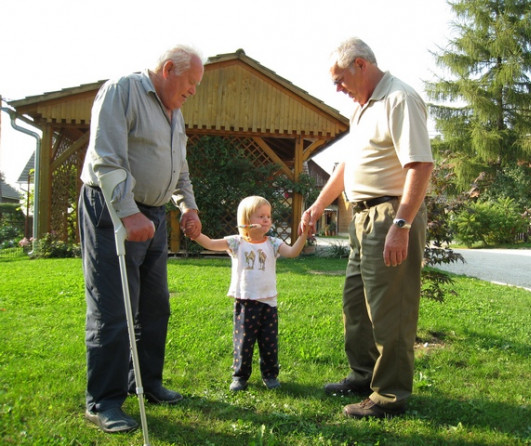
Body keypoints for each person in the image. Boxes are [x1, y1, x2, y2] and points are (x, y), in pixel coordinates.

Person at [301, 37, 434, 419]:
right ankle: (363, 375)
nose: (337, 88)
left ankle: (389, 396)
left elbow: (420, 166)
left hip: (389, 215)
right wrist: (316, 206)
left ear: (360, 65)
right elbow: (346, 168)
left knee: (390, 310)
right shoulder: (361, 109)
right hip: (360, 219)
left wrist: (402, 223)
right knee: (356, 305)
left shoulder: (399, 99)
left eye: (339, 79)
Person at [78, 44, 204, 433]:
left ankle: (146, 382)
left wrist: (189, 207)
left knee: (154, 307)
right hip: (112, 210)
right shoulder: (122, 91)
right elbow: (106, 156)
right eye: (191, 83)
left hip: (152, 218)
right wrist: (127, 211)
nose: (193, 91)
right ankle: (104, 401)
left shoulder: (175, 111)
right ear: (168, 68)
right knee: (114, 308)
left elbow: (179, 166)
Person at [190, 196, 309, 391]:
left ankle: (270, 376)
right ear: (246, 219)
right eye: (261, 216)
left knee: (269, 343)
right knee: (243, 342)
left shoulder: (273, 243)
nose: (266, 220)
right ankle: (240, 377)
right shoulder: (237, 243)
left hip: (268, 302)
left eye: (268, 216)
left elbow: (293, 252)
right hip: (246, 302)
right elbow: (211, 243)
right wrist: (196, 235)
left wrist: (303, 235)